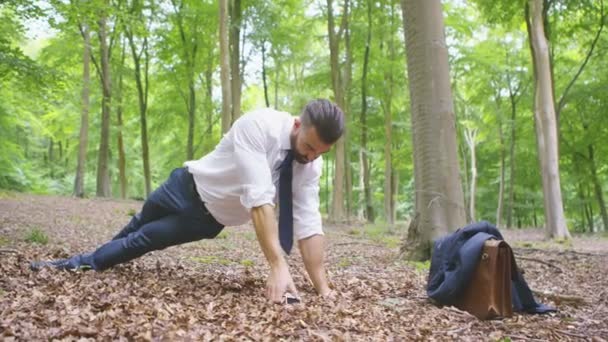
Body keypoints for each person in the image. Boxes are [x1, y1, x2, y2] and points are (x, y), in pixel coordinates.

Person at [31, 99, 344, 303]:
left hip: (205, 218)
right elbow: (259, 197)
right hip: (182, 183)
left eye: (320, 153)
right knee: (136, 224)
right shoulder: (259, 125)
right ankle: (101, 261)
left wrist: (323, 289)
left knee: (143, 238)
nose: (311, 156)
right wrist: (278, 265)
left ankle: (74, 265)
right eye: (309, 146)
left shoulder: (309, 167)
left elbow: (309, 225)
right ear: (297, 124)